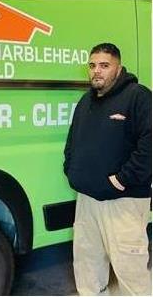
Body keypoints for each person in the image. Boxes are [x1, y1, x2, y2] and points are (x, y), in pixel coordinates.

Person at [63, 43, 152, 295]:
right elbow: (73, 140)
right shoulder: (85, 101)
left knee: (129, 270)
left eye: (104, 65)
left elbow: (150, 144)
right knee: (87, 265)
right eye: (92, 65)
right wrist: (71, 169)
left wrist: (123, 179)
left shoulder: (138, 96)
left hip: (123, 200)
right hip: (87, 200)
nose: (96, 71)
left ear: (118, 68)